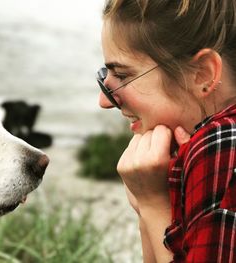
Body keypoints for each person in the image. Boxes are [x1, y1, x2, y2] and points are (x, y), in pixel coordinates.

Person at [97, 0, 236, 262]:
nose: (104, 100)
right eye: (106, 76)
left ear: (203, 74)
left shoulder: (221, 144)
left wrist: (153, 204)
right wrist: (146, 207)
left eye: (123, 76)